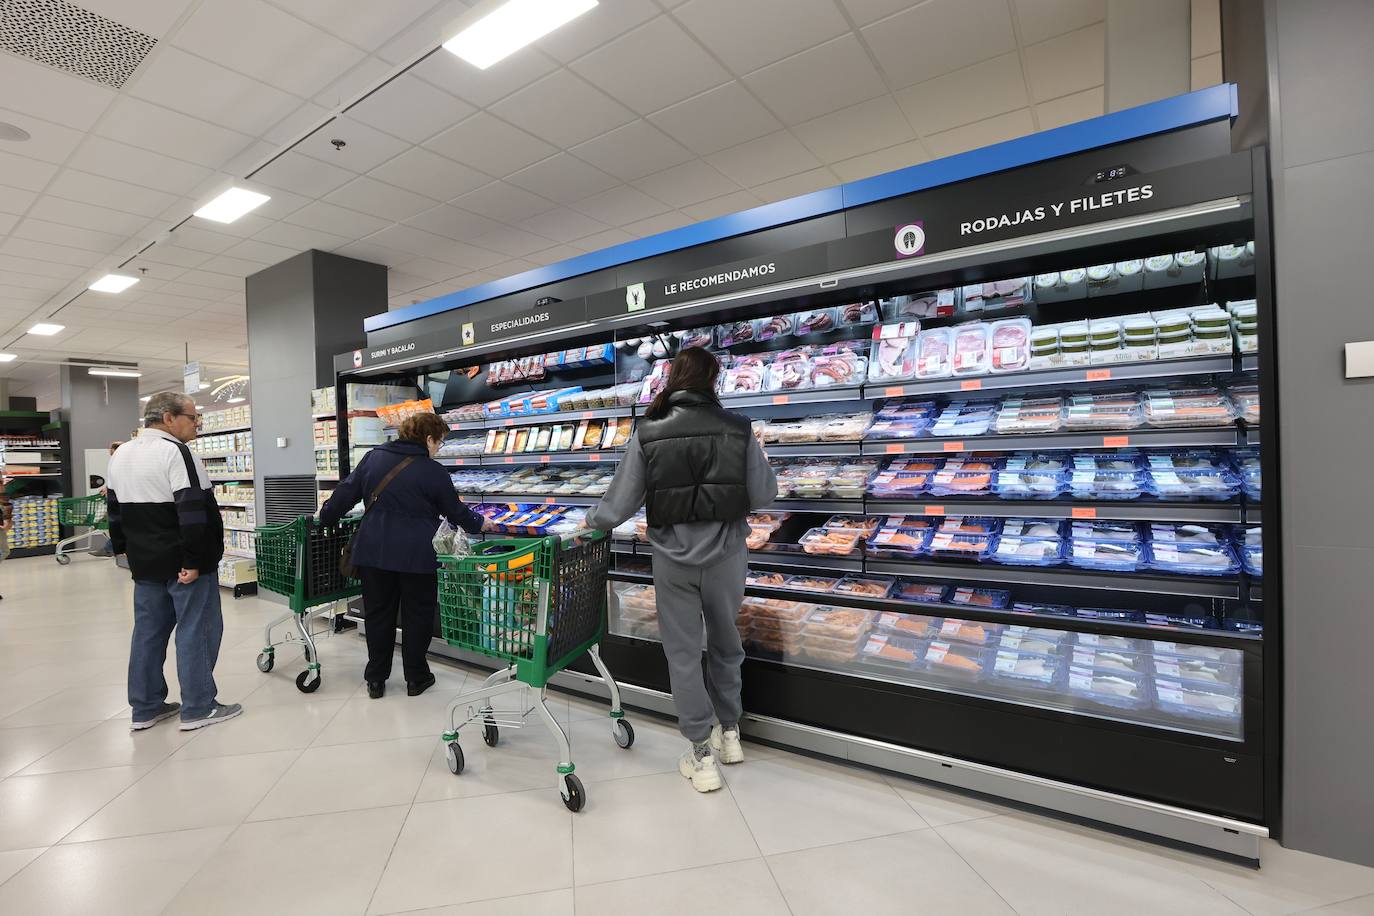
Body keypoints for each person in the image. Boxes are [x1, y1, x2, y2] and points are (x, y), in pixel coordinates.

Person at [586, 346, 778, 793]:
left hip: (672, 559)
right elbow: (764, 494)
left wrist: (592, 521)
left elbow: (620, 502)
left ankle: (701, 755)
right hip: (728, 554)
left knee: (684, 655)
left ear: (673, 378)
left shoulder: (649, 430)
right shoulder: (738, 428)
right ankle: (730, 734)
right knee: (727, 644)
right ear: (713, 380)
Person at [319, 412, 486, 699]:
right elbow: (455, 512)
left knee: (378, 614)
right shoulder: (433, 471)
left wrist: (325, 516)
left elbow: (346, 492)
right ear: (428, 439)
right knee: (417, 615)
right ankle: (416, 678)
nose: (438, 449)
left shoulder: (374, 458)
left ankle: (375, 678)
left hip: (374, 551)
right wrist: (481, 524)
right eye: (440, 443)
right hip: (417, 555)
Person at [106, 392, 240, 731]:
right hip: (185, 565)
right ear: (168, 418)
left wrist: (124, 550)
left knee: (148, 633)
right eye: (192, 417)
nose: (197, 424)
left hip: (145, 563)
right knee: (197, 630)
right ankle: (199, 706)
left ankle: (146, 707)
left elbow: (114, 511)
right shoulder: (178, 453)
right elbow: (193, 512)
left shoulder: (121, 453)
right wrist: (194, 560)